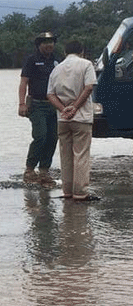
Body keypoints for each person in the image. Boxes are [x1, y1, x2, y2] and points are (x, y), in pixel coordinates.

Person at [47, 41, 98, 201]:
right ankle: (80, 193)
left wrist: (63, 110)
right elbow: (89, 87)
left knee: (66, 156)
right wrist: (75, 108)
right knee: (81, 155)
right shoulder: (86, 64)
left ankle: (67, 191)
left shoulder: (57, 68)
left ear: (65, 52)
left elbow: (50, 94)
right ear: (81, 51)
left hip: (62, 119)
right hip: (81, 118)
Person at [18, 32, 59, 186]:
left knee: (53, 137)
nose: (49, 45)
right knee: (40, 135)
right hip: (36, 104)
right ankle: (29, 169)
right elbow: (23, 83)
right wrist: (21, 104)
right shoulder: (32, 60)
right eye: (45, 42)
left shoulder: (57, 60)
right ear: (39, 45)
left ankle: (44, 171)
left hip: (54, 104)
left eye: (51, 42)